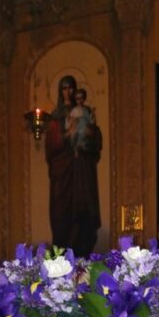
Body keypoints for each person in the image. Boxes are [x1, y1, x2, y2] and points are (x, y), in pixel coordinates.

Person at [44, 75, 102, 256]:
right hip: (63, 173)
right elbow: (52, 146)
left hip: (81, 170)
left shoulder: (85, 112)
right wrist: (68, 135)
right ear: (60, 92)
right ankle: (62, 250)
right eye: (64, 88)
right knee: (62, 213)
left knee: (83, 211)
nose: (68, 92)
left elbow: (94, 140)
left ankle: (82, 250)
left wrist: (88, 133)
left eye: (70, 88)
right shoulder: (56, 117)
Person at [66, 87, 96, 156]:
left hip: (85, 128)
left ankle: (81, 146)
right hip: (76, 128)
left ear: (84, 98)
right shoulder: (74, 110)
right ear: (75, 99)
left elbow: (90, 121)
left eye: (81, 98)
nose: (80, 101)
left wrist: (92, 115)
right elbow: (69, 122)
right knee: (75, 134)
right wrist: (69, 119)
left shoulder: (87, 109)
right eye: (77, 99)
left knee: (85, 132)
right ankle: (76, 147)